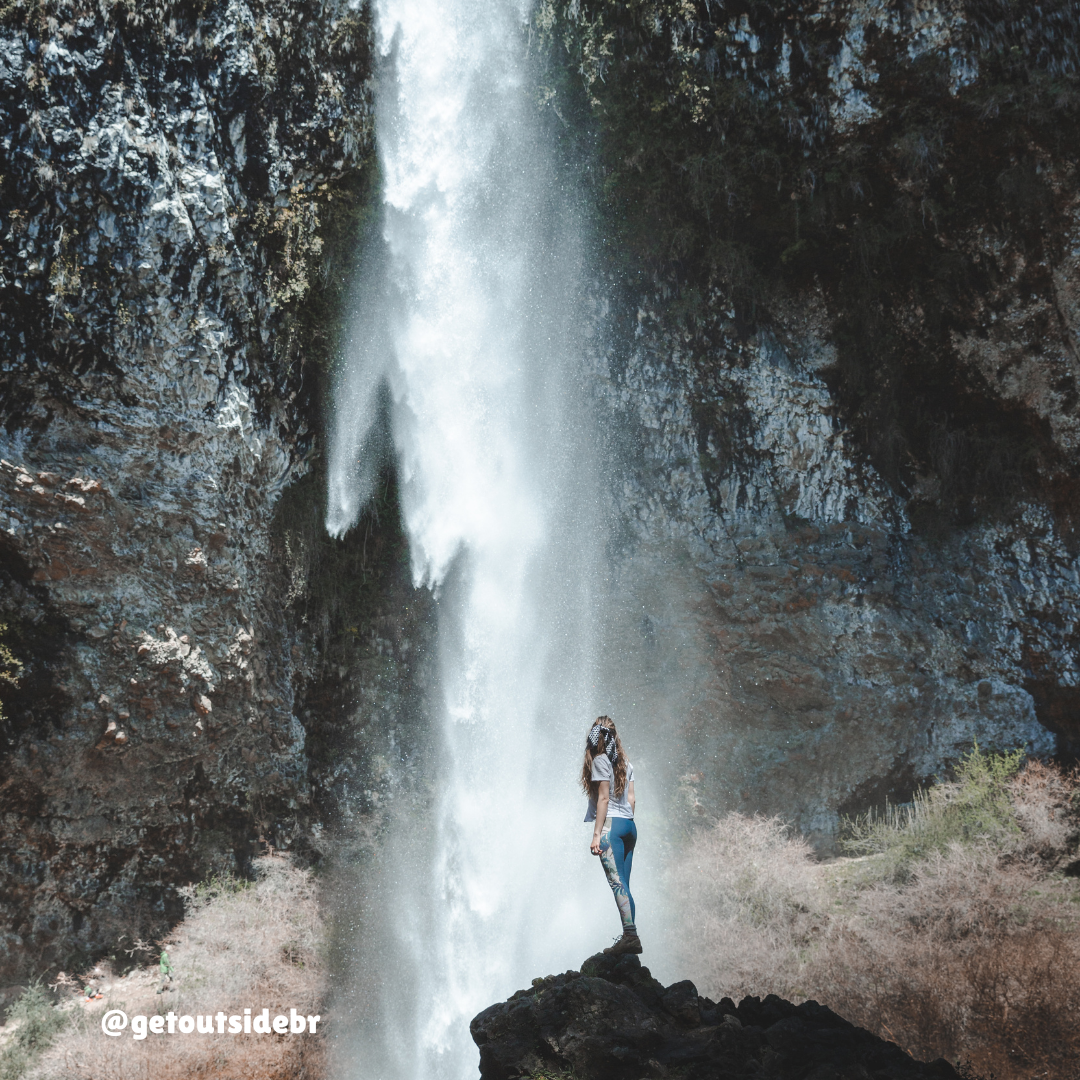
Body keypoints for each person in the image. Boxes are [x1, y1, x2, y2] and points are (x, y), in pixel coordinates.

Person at [582, 716, 641, 955]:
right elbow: (632, 799)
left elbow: (604, 799)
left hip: (612, 828)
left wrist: (597, 834)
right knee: (624, 884)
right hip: (629, 826)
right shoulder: (625, 762)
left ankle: (630, 936)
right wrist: (626, 822)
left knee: (618, 885)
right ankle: (630, 937)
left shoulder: (600, 761)